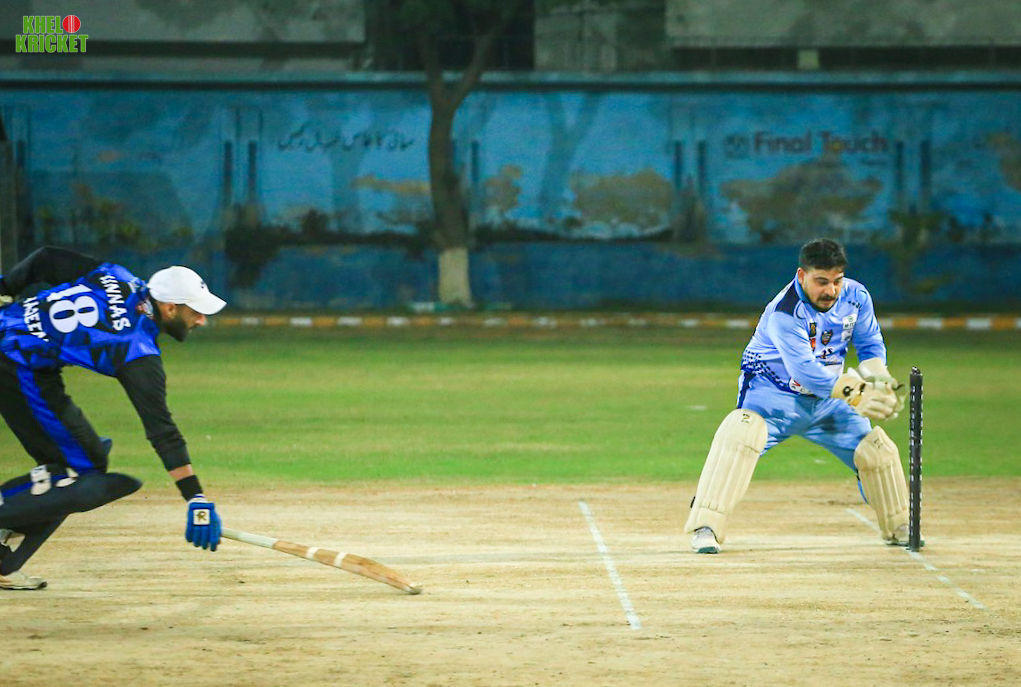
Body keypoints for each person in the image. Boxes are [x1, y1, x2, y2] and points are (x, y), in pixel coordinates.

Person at [0, 246, 225, 589]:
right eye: (196, 312)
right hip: (14, 362)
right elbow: (162, 431)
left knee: (88, 460)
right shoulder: (136, 348)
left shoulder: (116, 276)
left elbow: (47, 258)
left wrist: (6, 287)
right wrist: (195, 497)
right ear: (169, 308)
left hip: (23, 356)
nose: (201, 320)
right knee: (80, 471)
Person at [684, 238, 908, 554]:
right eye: (821, 281)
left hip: (829, 404)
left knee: (875, 451)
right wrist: (857, 392)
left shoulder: (856, 296)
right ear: (802, 275)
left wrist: (879, 378)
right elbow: (805, 371)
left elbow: (870, 344)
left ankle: (900, 525)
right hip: (773, 397)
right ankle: (705, 526)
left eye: (837, 280)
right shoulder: (784, 312)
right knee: (740, 435)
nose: (830, 290)